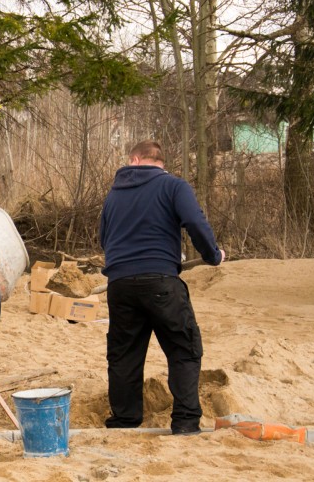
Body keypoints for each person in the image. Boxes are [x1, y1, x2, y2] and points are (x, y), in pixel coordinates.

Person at [99, 140, 225, 436]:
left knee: (124, 355)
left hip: (119, 284)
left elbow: (104, 238)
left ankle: (125, 421)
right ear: (160, 163)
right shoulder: (174, 186)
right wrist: (212, 255)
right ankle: (185, 421)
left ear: (134, 160)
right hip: (161, 281)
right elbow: (194, 221)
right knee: (184, 348)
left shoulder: (113, 195)